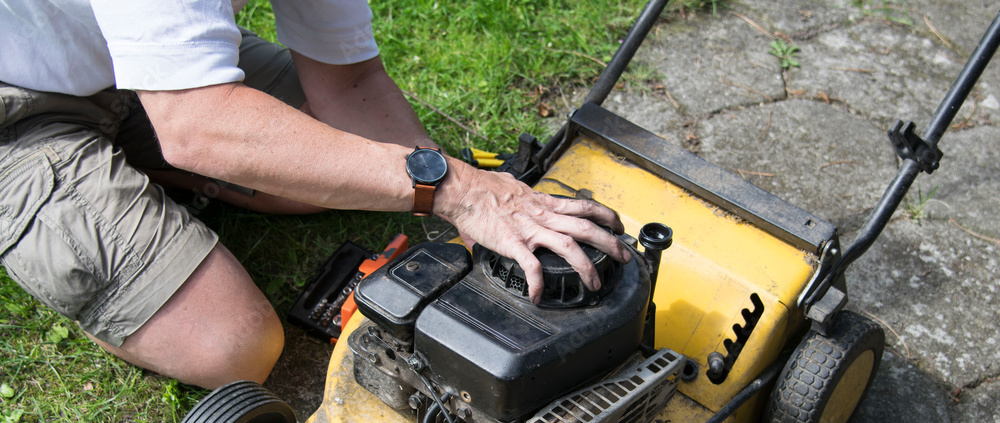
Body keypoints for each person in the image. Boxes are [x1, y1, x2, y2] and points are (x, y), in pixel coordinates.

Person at [0, 0, 629, 389]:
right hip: (18, 105)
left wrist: (472, 219)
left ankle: (155, 158)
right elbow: (196, 126)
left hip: (125, 54)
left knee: (327, 173)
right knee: (233, 345)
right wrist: (457, 189)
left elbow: (349, 81)